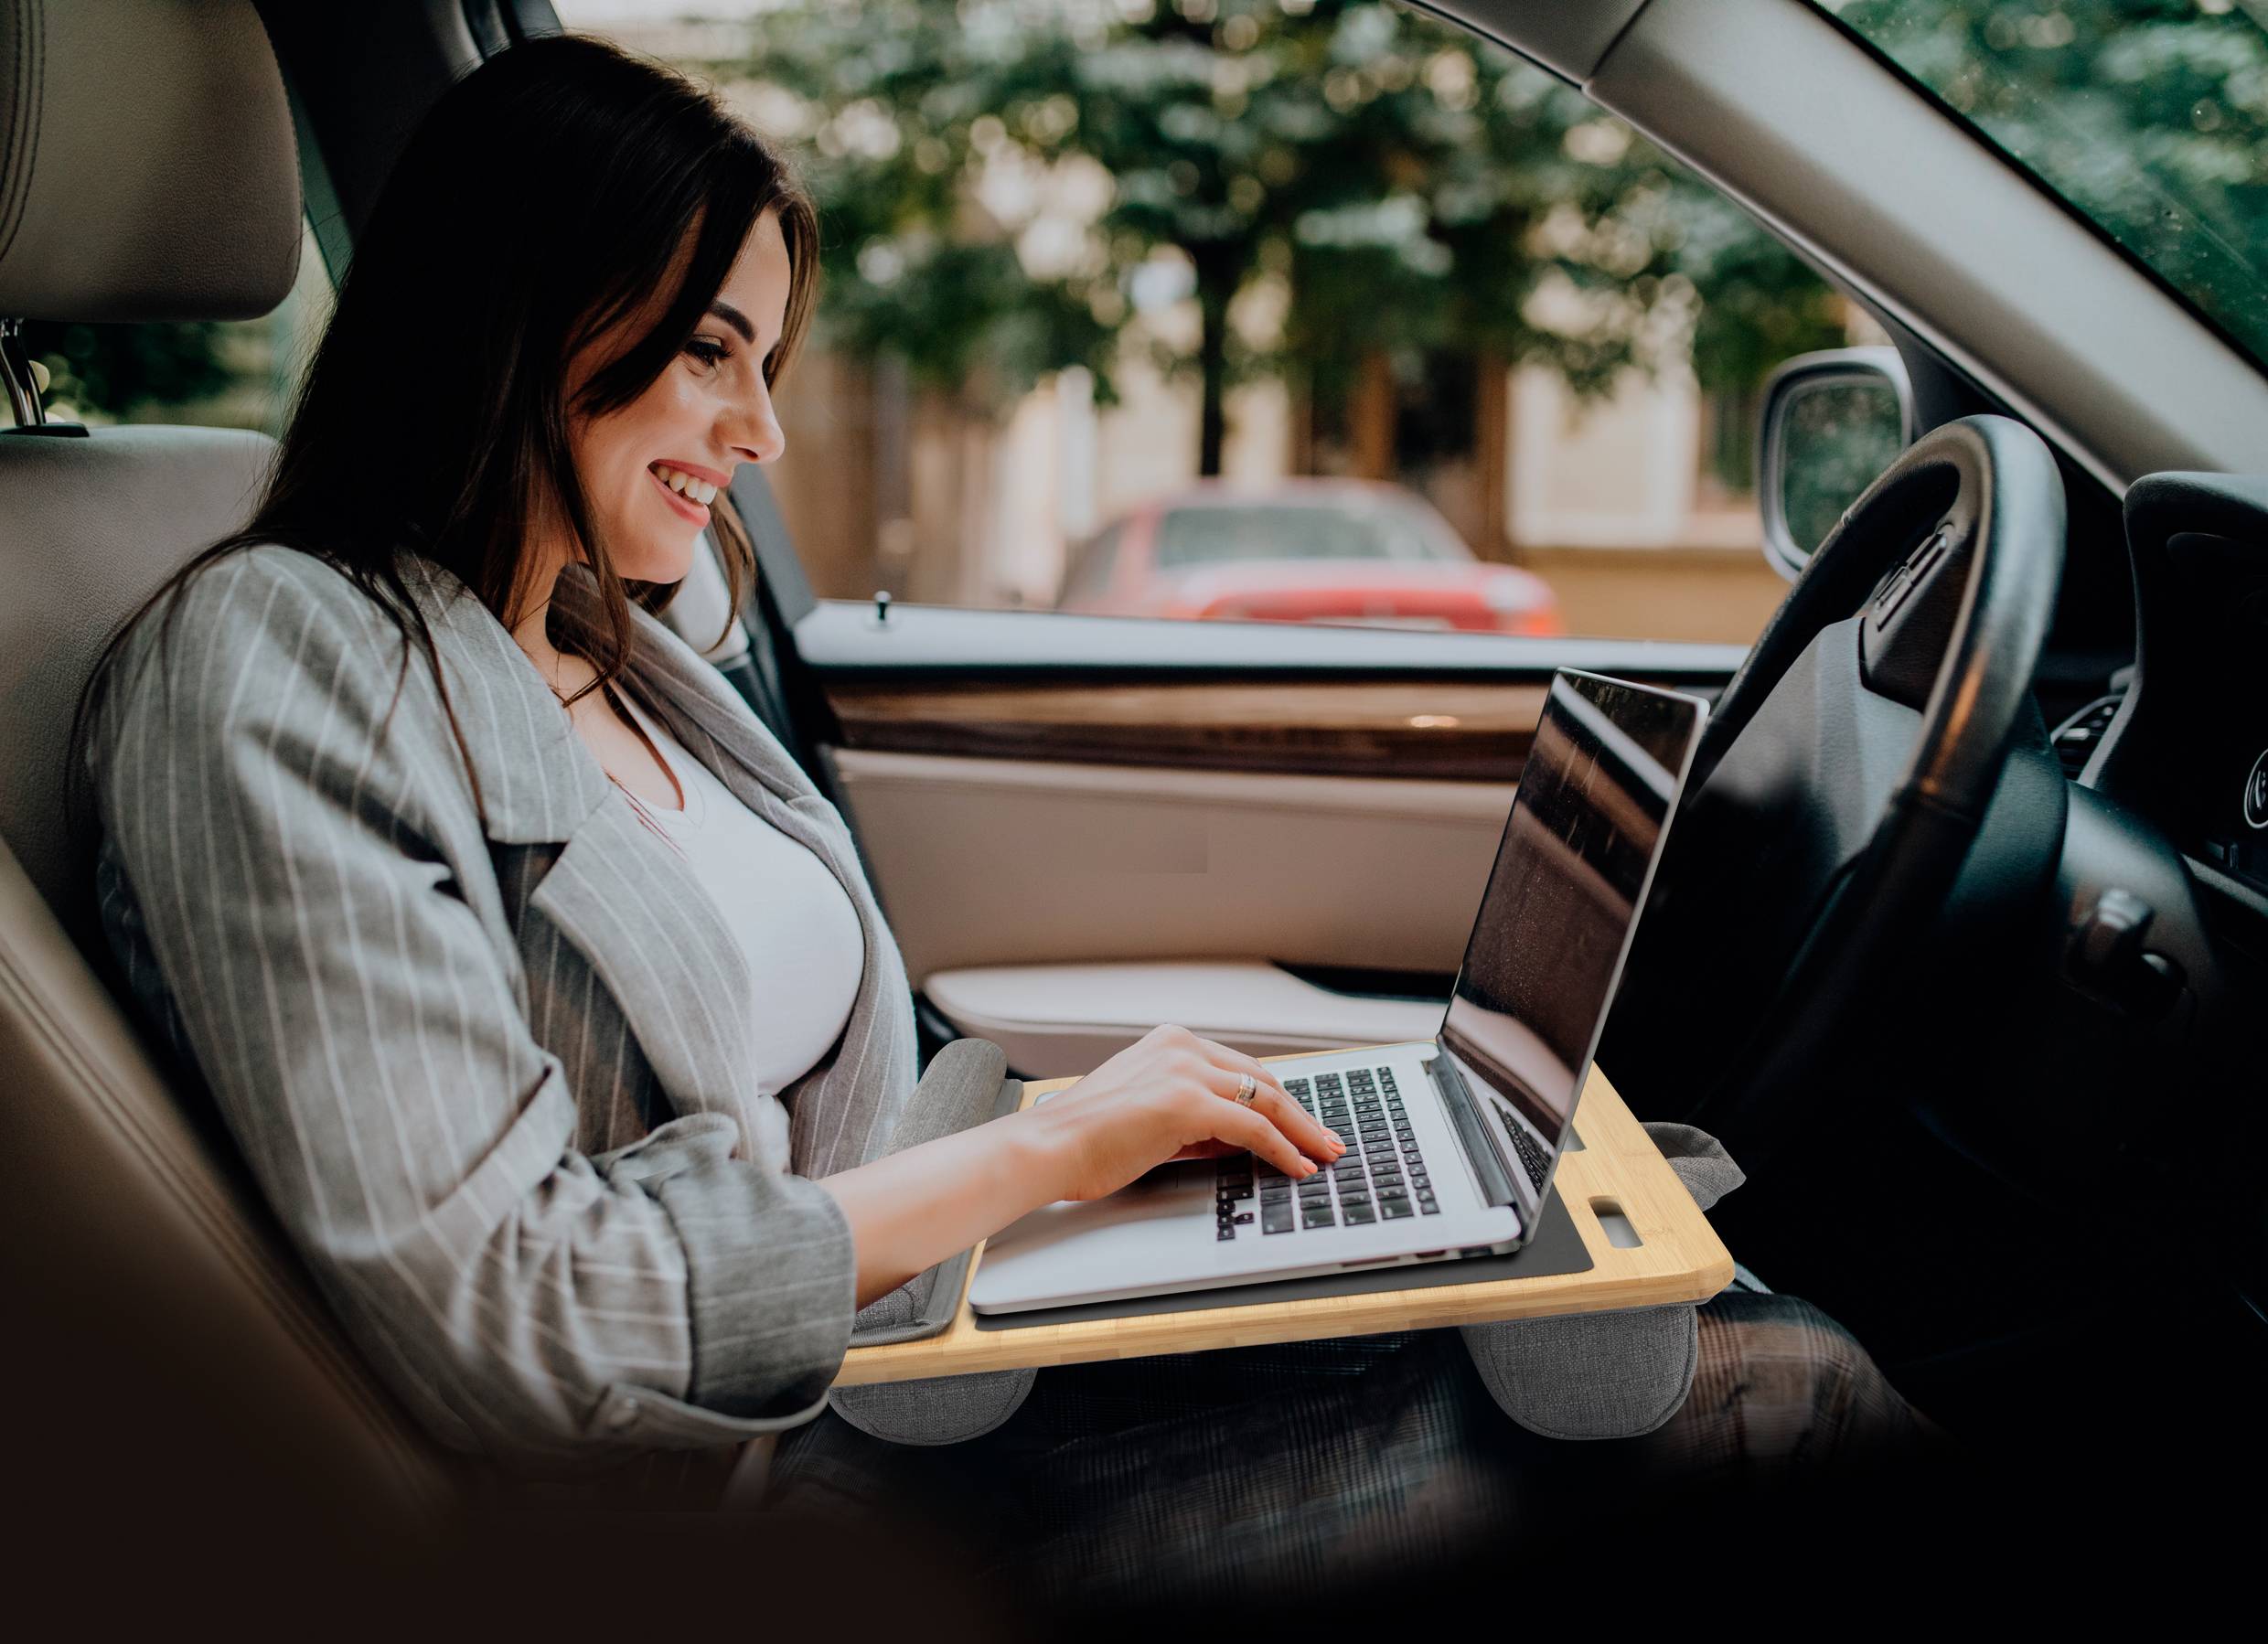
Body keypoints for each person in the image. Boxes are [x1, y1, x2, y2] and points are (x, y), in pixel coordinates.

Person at [78, 30, 1942, 1606]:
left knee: (1646, 1279)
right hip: (769, 1492)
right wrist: (1048, 1161)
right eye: (712, 348)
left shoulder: (600, 637)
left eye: (767, 361)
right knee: (1783, 1389)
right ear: (535, 310)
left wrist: (1093, 1150)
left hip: (920, 1348)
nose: (763, 431)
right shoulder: (271, 662)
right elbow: (514, 1317)